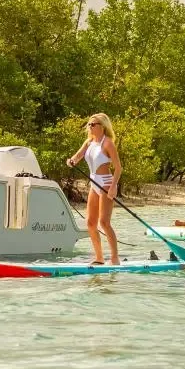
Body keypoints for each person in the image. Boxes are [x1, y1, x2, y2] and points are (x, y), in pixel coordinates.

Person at [65, 113, 123, 265]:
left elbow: (118, 168)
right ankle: (99, 258)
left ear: (102, 127)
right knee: (90, 223)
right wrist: (71, 161)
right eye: (89, 124)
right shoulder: (89, 142)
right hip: (94, 184)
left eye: (93, 124)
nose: (90, 127)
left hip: (106, 184)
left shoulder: (108, 143)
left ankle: (115, 258)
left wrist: (113, 187)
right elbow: (77, 157)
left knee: (104, 223)